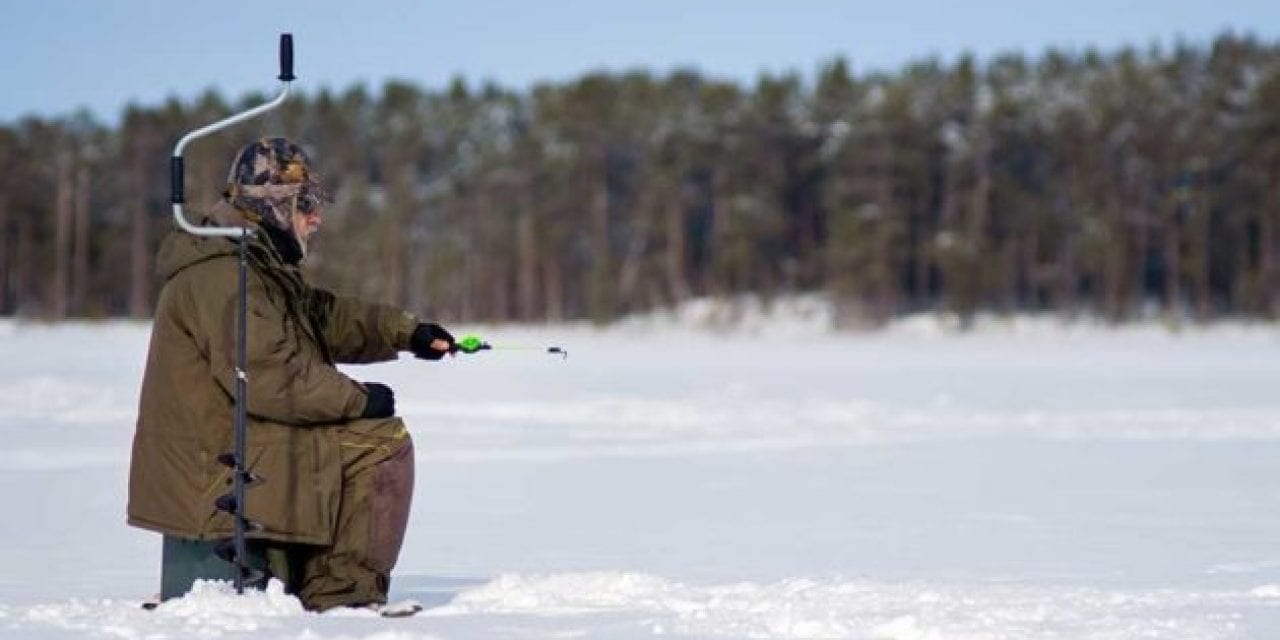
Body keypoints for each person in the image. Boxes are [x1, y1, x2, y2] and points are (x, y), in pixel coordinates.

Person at [127, 137, 454, 612]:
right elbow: (272, 378)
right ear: (272, 205)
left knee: (353, 435)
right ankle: (340, 596)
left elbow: (318, 317)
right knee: (379, 443)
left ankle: (312, 581)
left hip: (234, 450)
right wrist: (361, 399)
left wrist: (407, 333)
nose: (315, 218)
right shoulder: (225, 275)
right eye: (306, 204)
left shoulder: (252, 265)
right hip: (217, 470)